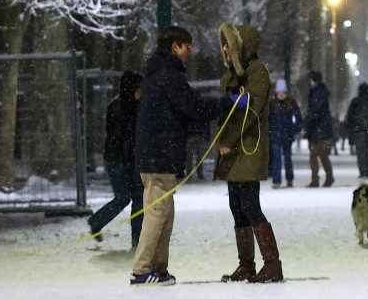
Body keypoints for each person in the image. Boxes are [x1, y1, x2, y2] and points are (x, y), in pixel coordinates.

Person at [131, 26, 231, 286]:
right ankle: (142, 270)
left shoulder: (158, 74)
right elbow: (193, 107)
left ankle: (158, 269)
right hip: (159, 155)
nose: (191, 51)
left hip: (157, 155)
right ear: (175, 46)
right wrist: (226, 104)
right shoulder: (169, 75)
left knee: (164, 213)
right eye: (187, 45)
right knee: (156, 213)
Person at [214, 23, 283, 284]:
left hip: (248, 148)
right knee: (237, 206)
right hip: (233, 150)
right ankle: (246, 265)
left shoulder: (258, 72)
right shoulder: (232, 75)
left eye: (228, 43)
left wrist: (228, 140)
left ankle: (272, 264)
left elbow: (251, 111)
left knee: (250, 205)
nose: (224, 49)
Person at [88, 71, 144, 248]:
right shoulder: (120, 108)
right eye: (139, 88)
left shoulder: (132, 106)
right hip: (119, 160)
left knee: (138, 200)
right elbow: (122, 136)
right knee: (124, 198)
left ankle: (138, 239)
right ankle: (97, 221)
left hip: (129, 159)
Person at [267, 79, 302, 189]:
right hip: (276, 135)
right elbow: (267, 119)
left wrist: (293, 129)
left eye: (283, 92)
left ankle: (289, 179)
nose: (281, 94)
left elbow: (299, 119)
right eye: (279, 92)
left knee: (287, 158)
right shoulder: (272, 104)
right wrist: (270, 131)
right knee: (277, 159)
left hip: (286, 135)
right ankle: (277, 180)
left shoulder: (291, 102)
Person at [304, 71, 335, 187]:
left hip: (317, 130)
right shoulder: (321, 91)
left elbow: (315, 112)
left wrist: (309, 124)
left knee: (316, 156)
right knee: (321, 156)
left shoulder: (316, 92)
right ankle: (326, 178)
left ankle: (318, 179)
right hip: (322, 129)